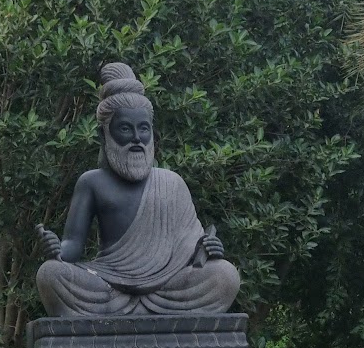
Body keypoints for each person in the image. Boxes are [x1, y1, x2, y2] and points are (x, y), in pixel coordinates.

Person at [36, 63, 241, 317]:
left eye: (143, 129)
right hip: (109, 286)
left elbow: (192, 248)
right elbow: (72, 246)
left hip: (168, 287)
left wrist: (210, 249)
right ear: (104, 134)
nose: (137, 138)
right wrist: (58, 250)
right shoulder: (91, 182)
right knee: (50, 274)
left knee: (224, 275)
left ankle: (138, 315)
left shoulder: (171, 183)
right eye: (125, 128)